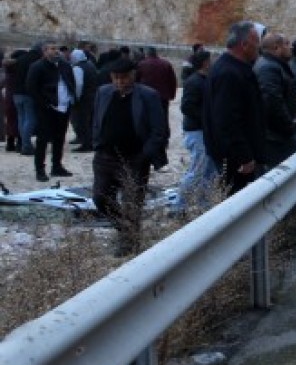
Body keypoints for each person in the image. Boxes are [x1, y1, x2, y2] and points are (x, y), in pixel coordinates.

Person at [91, 58, 169, 252]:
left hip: (134, 158)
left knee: (132, 202)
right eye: (116, 78)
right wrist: (97, 142)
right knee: (100, 198)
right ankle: (125, 229)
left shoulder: (148, 96)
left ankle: (129, 242)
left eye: (124, 77)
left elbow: (159, 129)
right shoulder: (103, 92)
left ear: (133, 75)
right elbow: (96, 119)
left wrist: (145, 154)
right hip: (105, 156)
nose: (120, 82)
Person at [204, 21, 266, 195]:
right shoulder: (229, 73)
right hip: (236, 161)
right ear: (244, 45)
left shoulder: (233, 69)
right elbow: (226, 121)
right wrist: (243, 157)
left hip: (237, 156)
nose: (258, 48)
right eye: (256, 43)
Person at [26, 40, 77, 182]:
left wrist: (71, 99)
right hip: (47, 109)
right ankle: (40, 169)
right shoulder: (37, 67)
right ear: (45, 51)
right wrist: (44, 104)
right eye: (52, 48)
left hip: (64, 107)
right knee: (42, 140)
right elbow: (31, 87)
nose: (56, 51)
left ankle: (57, 166)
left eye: (57, 48)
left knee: (60, 139)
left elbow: (70, 82)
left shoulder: (65, 66)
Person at [176, 49, 218, 208]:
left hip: (204, 131)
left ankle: (204, 204)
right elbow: (186, 107)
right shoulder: (194, 82)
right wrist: (207, 118)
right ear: (206, 63)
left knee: (209, 170)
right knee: (198, 170)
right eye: (211, 60)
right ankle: (179, 207)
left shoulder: (204, 79)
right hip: (196, 131)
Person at [254, 32, 296, 170]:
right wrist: (290, 128)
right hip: (276, 138)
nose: (291, 47)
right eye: (287, 44)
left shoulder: (274, 65)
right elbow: (273, 102)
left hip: (277, 135)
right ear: (276, 48)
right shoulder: (269, 68)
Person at [11, 43, 41, 155]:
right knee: (30, 119)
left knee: (21, 119)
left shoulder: (20, 59)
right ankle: (26, 146)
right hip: (28, 94)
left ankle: (23, 143)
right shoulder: (36, 60)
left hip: (16, 93)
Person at [68, 49, 101, 152]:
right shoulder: (90, 65)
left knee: (82, 121)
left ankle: (86, 143)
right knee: (90, 121)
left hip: (83, 99)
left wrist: (75, 98)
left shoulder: (78, 68)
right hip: (93, 96)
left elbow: (79, 85)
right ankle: (91, 141)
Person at [136, 46, 178, 111]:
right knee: (162, 117)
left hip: (145, 96)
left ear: (147, 54)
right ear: (156, 53)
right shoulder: (166, 64)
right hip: (162, 97)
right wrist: (172, 95)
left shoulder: (141, 64)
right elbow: (172, 81)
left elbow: (136, 81)